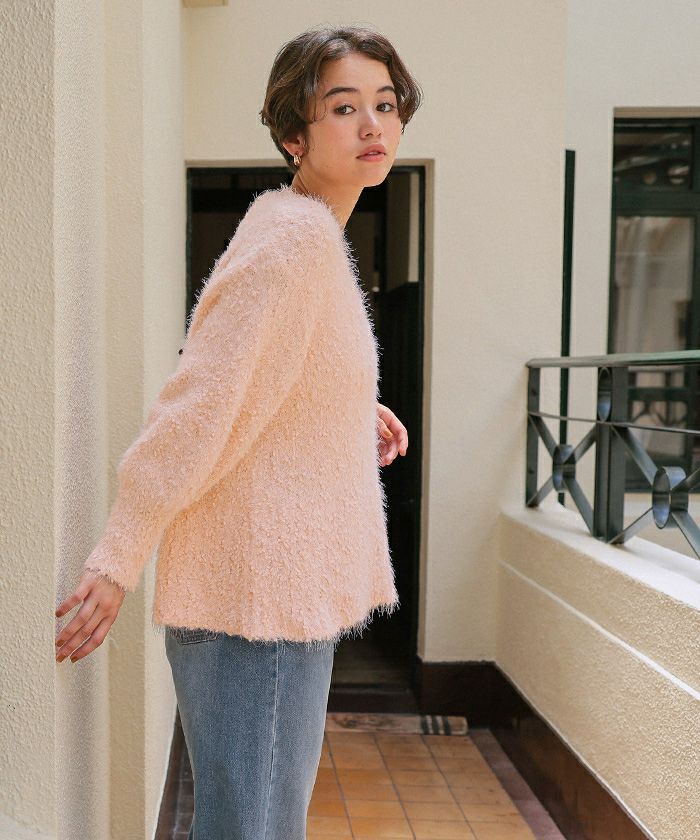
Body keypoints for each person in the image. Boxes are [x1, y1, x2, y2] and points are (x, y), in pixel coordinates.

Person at [54, 24, 422, 840]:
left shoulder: (305, 233)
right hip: (257, 608)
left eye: (386, 104)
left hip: (270, 601)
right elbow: (202, 402)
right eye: (344, 108)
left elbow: (264, 377)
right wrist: (118, 555)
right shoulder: (293, 243)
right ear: (295, 133)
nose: (373, 125)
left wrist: (343, 410)